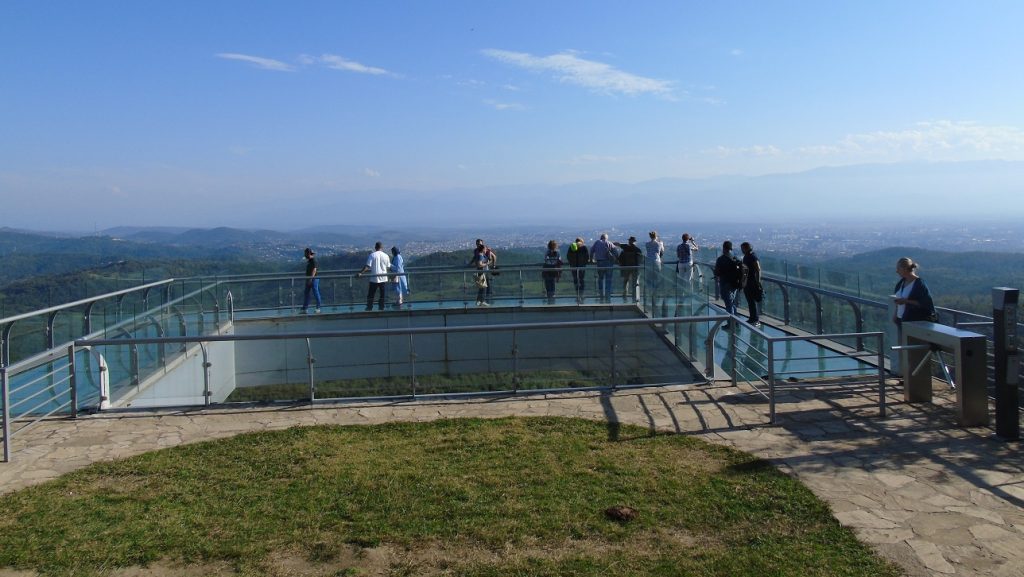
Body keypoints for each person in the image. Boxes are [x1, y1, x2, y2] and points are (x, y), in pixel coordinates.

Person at [892, 257, 936, 324]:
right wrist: (895, 315)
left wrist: (906, 301)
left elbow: (926, 303)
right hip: (900, 320)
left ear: (905, 269)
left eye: (898, 269)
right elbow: (898, 301)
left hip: (913, 321)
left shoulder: (919, 284)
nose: (897, 271)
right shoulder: (901, 283)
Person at [356, 242, 391, 311]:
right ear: (382, 248)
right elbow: (388, 267)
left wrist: (360, 273)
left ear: (375, 247)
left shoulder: (372, 255)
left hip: (374, 278)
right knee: (382, 294)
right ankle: (381, 307)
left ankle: (369, 307)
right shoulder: (386, 256)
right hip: (383, 278)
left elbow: (367, 266)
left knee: (371, 294)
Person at [714, 240, 740, 316]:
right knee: (732, 302)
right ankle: (736, 320)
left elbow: (717, 272)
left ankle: (731, 323)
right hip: (735, 283)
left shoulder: (721, 259)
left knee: (728, 304)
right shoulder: (735, 258)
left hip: (725, 283)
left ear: (724, 248)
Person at [740, 242, 763, 326]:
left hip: (752, 282)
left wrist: (758, 281)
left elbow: (758, 269)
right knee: (750, 301)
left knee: (752, 301)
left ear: (746, 248)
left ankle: (755, 319)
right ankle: (752, 317)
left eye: (742, 248)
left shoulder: (752, 257)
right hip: (748, 282)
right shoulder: (747, 256)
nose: (742, 250)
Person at [590, 233, 617, 302]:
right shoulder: (610, 243)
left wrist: (591, 259)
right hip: (609, 263)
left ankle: (601, 294)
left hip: (600, 262)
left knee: (601, 279)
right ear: (606, 238)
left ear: (601, 237)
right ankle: (608, 295)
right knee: (608, 279)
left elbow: (591, 251)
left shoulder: (597, 242)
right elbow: (616, 253)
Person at [470, 238, 498, 306]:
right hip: (482, 270)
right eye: (477, 244)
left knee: (483, 286)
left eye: (479, 244)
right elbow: (479, 262)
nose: (478, 245)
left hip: (484, 270)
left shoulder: (483, 250)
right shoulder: (480, 253)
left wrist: (493, 265)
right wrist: (489, 264)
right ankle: (482, 301)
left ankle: (480, 301)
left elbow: (494, 256)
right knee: (484, 286)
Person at [615, 236, 643, 302]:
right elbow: (640, 259)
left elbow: (618, 244)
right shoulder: (637, 250)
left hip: (626, 267)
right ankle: (634, 295)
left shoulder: (625, 247)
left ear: (629, 241)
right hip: (635, 267)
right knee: (635, 282)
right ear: (635, 242)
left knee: (626, 281)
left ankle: (625, 294)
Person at [566, 237, 590, 303]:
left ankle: (577, 295)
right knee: (581, 281)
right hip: (582, 267)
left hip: (573, 267)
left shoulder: (571, 247)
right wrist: (584, 262)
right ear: (582, 241)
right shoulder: (584, 247)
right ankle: (581, 295)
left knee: (576, 281)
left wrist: (572, 263)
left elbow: (568, 256)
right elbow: (587, 257)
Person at [300, 247, 322, 314]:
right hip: (309, 279)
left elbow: (314, 270)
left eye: (305, 254)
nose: (305, 255)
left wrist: (311, 279)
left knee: (315, 292)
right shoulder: (310, 261)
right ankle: (305, 308)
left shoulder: (313, 260)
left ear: (308, 253)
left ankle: (318, 308)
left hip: (314, 279)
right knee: (306, 293)